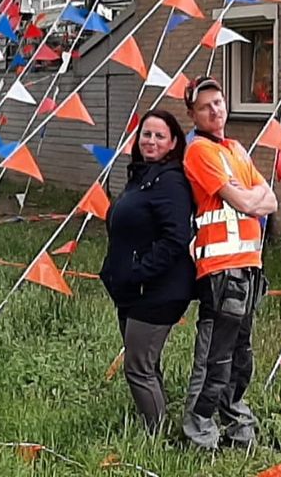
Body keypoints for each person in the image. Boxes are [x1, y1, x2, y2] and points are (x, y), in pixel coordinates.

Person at [181, 76, 278, 451]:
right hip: (220, 270)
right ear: (192, 113)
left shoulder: (236, 149)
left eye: (218, 102)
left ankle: (239, 430)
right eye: (205, 106)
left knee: (241, 358)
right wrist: (250, 196)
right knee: (214, 358)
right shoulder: (199, 152)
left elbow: (270, 200)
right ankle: (198, 434)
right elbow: (248, 203)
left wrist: (251, 196)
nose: (215, 110)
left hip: (249, 268)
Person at [100, 109, 197, 434]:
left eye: (159, 136)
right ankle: (157, 421)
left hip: (156, 292)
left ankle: (157, 437)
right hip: (131, 290)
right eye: (146, 134)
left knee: (137, 367)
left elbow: (176, 239)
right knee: (146, 364)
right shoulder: (142, 177)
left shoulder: (170, 181)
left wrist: (138, 272)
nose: (151, 141)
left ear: (172, 143)